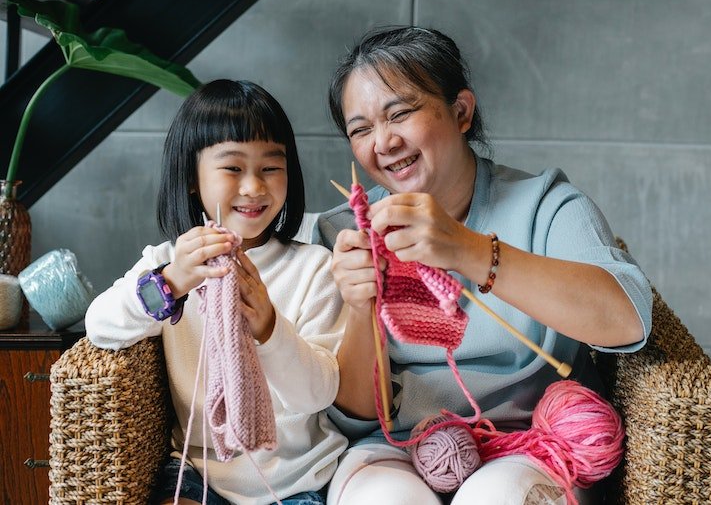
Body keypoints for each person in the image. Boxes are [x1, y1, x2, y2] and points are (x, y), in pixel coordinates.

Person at [314, 27, 653, 505]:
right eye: (361, 129)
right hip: (394, 448)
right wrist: (358, 308)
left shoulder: (546, 205)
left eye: (401, 113)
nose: (384, 142)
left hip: (531, 444)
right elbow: (355, 411)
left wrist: (469, 249)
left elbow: (627, 319)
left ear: (461, 111)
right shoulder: (342, 235)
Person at [85, 79, 347, 505]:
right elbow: (100, 326)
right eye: (232, 168)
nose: (253, 187)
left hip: (297, 479)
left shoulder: (313, 268)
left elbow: (318, 394)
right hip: (197, 472)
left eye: (270, 167)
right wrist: (171, 283)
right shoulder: (170, 261)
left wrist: (268, 327)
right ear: (193, 178)